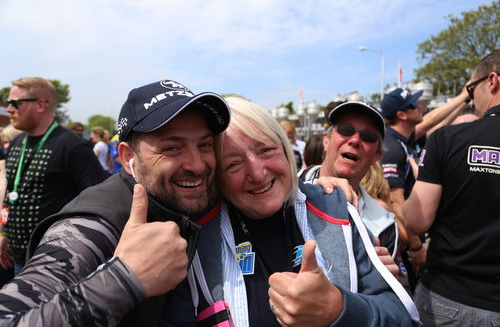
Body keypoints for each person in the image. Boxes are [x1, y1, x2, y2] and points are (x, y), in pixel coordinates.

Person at [0, 79, 231, 325]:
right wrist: (124, 280)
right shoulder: (93, 226)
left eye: (205, 145)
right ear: (129, 157)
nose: (196, 165)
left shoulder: (194, 199)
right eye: (172, 148)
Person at [187, 97, 418, 327]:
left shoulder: (335, 210)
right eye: (233, 164)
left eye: (266, 150)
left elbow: (403, 317)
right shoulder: (195, 237)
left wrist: (339, 308)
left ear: (286, 149)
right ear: (216, 174)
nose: (257, 174)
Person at [405, 50, 500, 325]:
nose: (471, 100)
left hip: (448, 299)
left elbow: (416, 220)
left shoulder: (448, 139)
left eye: (471, 89)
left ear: (492, 81)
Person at [2, 77, 107, 274]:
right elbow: (12, 191)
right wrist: (3, 233)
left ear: (41, 104)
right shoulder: (18, 143)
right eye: (8, 103)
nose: (9, 109)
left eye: (15, 103)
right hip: (17, 258)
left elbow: (99, 202)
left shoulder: (72, 146)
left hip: (57, 262)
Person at [298, 102, 401, 258]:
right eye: (346, 130)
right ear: (326, 140)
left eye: (368, 136)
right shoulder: (286, 191)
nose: (355, 140)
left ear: (377, 155)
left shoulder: (385, 227)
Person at [379, 88, 428, 289]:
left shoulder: (403, 142)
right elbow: (396, 201)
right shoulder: (391, 149)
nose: (421, 106)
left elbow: (434, 122)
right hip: (407, 242)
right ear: (402, 114)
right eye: (415, 104)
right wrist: (416, 246)